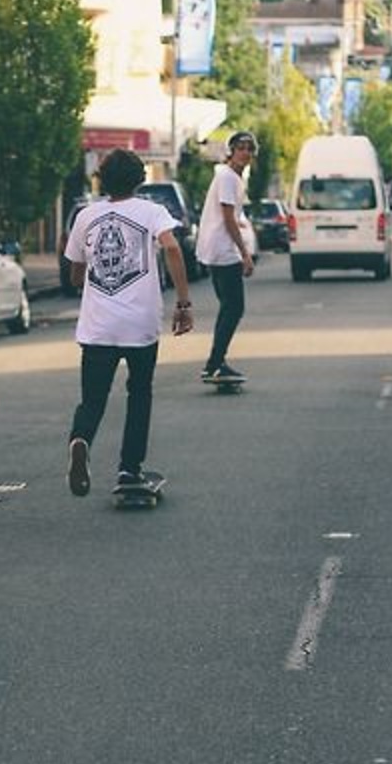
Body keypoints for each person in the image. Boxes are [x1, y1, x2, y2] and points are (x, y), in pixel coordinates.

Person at [63, 148, 193, 497]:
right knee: (139, 393)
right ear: (140, 180)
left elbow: (75, 274)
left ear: (102, 180)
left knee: (92, 399)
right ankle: (129, 469)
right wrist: (183, 302)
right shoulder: (153, 212)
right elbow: (173, 248)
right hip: (140, 324)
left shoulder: (86, 216)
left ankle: (80, 439)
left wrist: (87, 273)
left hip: (98, 327)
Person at [196, 130, 258, 384]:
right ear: (230, 151)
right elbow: (227, 216)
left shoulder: (229, 177)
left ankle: (216, 363)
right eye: (240, 147)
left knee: (229, 308)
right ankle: (214, 363)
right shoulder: (229, 178)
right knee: (234, 307)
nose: (245, 152)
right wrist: (245, 254)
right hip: (223, 251)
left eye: (249, 149)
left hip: (216, 248)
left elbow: (229, 216)